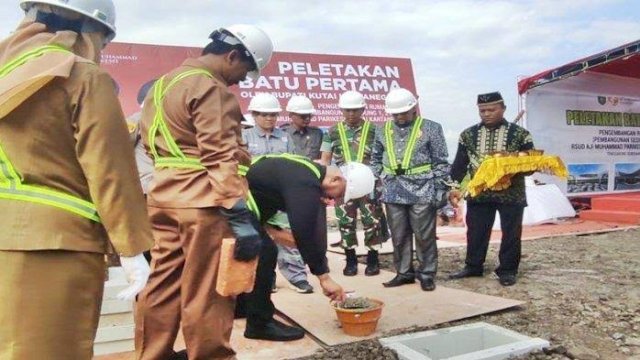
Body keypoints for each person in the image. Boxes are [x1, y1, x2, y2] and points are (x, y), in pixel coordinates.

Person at [0, 1, 153, 358]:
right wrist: (132, 249)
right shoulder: (82, 76)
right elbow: (110, 169)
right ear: (88, 31)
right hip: (55, 244)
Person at [134, 24, 273, 360]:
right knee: (208, 292)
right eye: (245, 70)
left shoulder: (163, 85)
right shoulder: (211, 89)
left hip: (164, 197)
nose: (241, 80)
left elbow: (152, 147)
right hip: (204, 204)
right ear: (232, 55)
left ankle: (151, 355)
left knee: (161, 286)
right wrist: (238, 213)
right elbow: (219, 155)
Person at [238, 154, 371, 341]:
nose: (335, 200)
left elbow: (265, 194)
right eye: (339, 194)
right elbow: (304, 232)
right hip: (232, 205)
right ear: (335, 179)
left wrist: (273, 231)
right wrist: (324, 277)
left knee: (257, 251)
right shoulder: (306, 182)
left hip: (239, 204)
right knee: (264, 252)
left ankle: (243, 306)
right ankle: (259, 324)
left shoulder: (304, 169)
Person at [448, 91, 535, 287]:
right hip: (479, 193)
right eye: (482, 110)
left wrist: (512, 160)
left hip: (511, 192)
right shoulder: (468, 135)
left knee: (511, 233)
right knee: (476, 231)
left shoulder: (520, 134)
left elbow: (531, 165)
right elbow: (459, 165)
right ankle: (473, 266)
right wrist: (453, 188)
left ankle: (508, 270)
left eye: (491, 109)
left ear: (503, 109)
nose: (486, 114)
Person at [370, 88, 450, 291]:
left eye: (403, 113)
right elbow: (376, 158)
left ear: (414, 107)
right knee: (399, 235)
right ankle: (404, 272)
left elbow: (440, 161)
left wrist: (440, 188)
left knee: (424, 236)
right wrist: (378, 179)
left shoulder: (431, 128)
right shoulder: (382, 129)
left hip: (422, 189)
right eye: (395, 113)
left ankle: (426, 274)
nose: (399, 117)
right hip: (392, 189)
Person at [243, 93, 314, 294]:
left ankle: (297, 277)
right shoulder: (244, 137)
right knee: (260, 239)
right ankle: (267, 278)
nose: (269, 119)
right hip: (254, 197)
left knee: (288, 237)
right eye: (264, 115)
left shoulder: (285, 137)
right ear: (254, 115)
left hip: (279, 196)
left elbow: (293, 165)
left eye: (273, 115)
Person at [320, 90, 388, 277]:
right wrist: (324, 186)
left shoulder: (376, 130)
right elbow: (325, 159)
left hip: (369, 183)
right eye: (348, 110)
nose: (351, 114)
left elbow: (384, 156)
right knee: (345, 221)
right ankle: (350, 260)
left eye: (356, 110)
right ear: (341, 109)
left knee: (372, 220)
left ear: (363, 109)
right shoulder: (332, 132)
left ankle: (372, 260)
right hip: (343, 185)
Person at [127, 79, 157, 262]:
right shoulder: (137, 119)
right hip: (145, 190)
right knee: (148, 243)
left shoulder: (172, 121)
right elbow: (119, 148)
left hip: (164, 190)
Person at [285, 95, 323, 160]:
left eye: (309, 115)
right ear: (291, 115)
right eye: (303, 116)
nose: (307, 119)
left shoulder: (317, 134)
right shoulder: (283, 134)